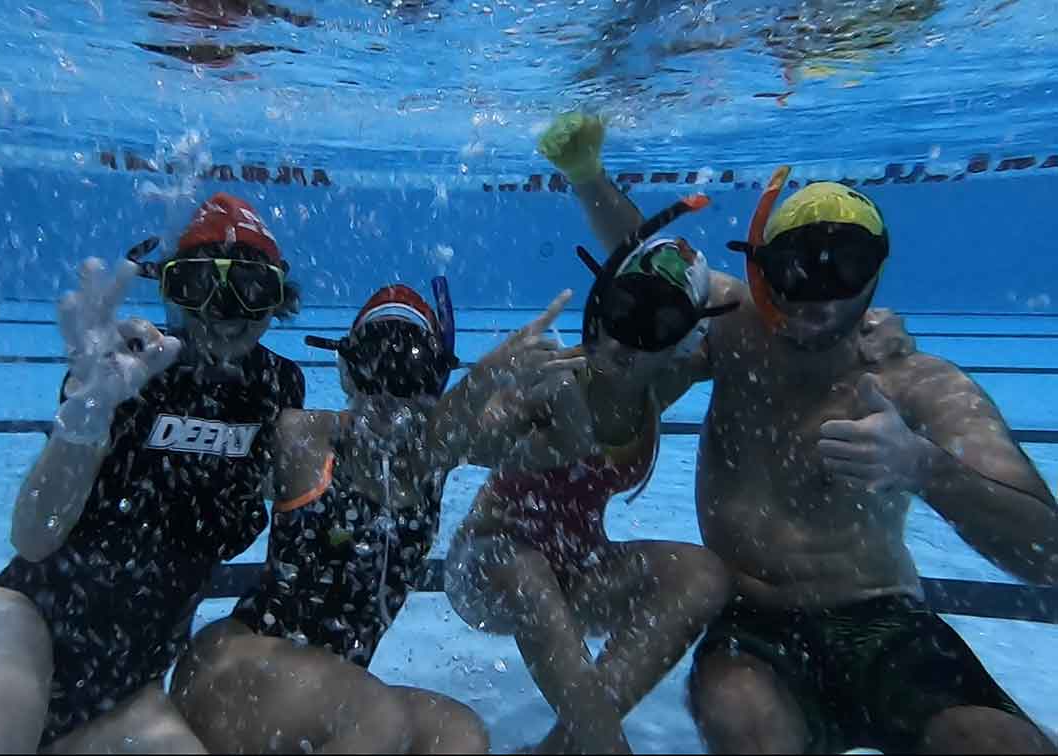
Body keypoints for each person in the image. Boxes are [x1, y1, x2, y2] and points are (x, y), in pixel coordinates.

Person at [541, 112, 1058, 754]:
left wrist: (926, 468)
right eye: (796, 270)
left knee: (997, 743)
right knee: (745, 726)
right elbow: (654, 262)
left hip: (880, 618)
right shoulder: (737, 330)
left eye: (842, 269)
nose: (818, 298)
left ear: (874, 274)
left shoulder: (916, 382)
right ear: (762, 268)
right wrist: (588, 176)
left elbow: (1048, 554)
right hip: (752, 621)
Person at [0, 192, 305, 753]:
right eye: (198, 286)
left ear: (279, 300)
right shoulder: (124, 366)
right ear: (171, 291)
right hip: (22, 625)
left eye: (252, 291)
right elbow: (33, 537)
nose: (223, 313)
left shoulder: (276, 388)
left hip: (127, 686)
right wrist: (86, 416)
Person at [170, 282, 584, 754]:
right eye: (373, 365)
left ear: (434, 384)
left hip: (326, 692)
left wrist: (562, 385)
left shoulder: (437, 453)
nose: (388, 392)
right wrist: (484, 378)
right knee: (375, 719)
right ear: (346, 371)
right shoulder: (305, 437)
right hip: (230, 665)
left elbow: (566, 443)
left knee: (459, 737)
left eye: (410, 372)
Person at [444, 188, 743, 754]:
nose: (627, 337)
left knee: (701, 574)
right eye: (623, 310)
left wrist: (875, 336)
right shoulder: (554, 384)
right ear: (600, 306)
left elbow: (766, 341)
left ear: (682, 340)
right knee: (525, 570)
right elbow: (463, 445)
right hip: (486, 569)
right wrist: (491, 385)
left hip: (577, 575)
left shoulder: (667, 380)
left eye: (657, 324)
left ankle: (562, 746)